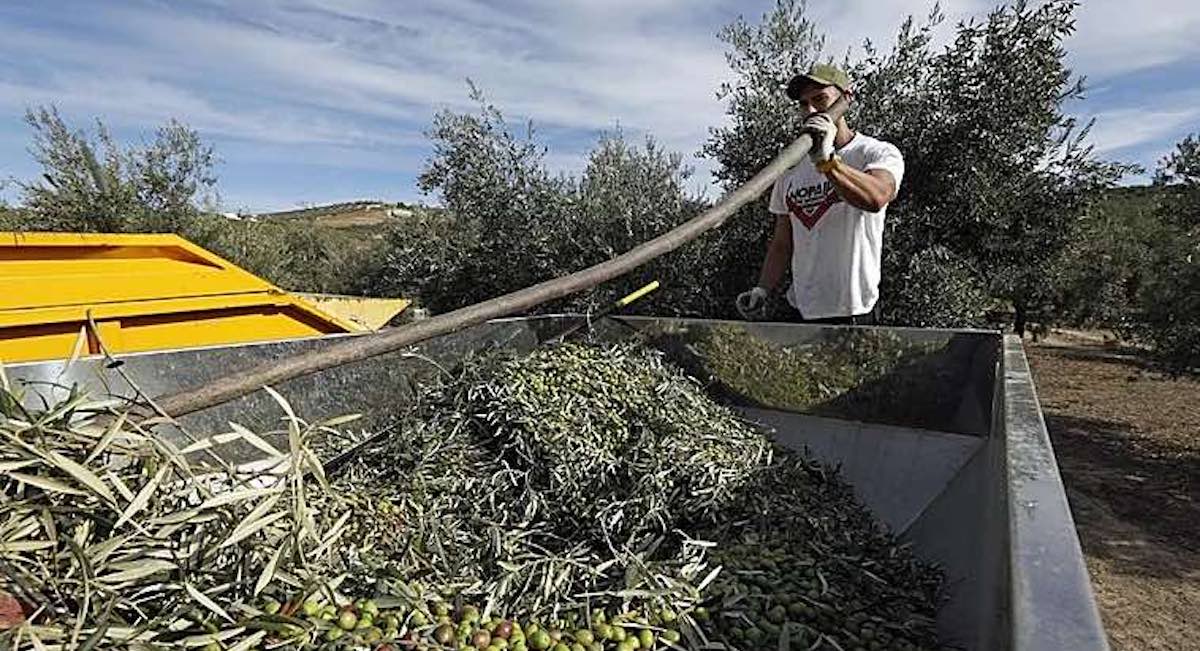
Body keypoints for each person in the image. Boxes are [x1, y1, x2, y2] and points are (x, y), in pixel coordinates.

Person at [736, 63, 904, 325]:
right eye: (804, 104)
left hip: (854, 312)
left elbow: (877, 197)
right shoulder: (790, 171)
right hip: (802, 310)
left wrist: (828, 163)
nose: (810, 110)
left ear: (846, 98)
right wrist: (762, 289)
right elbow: (782, 243)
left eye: (820, 99)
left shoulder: (875, 153)